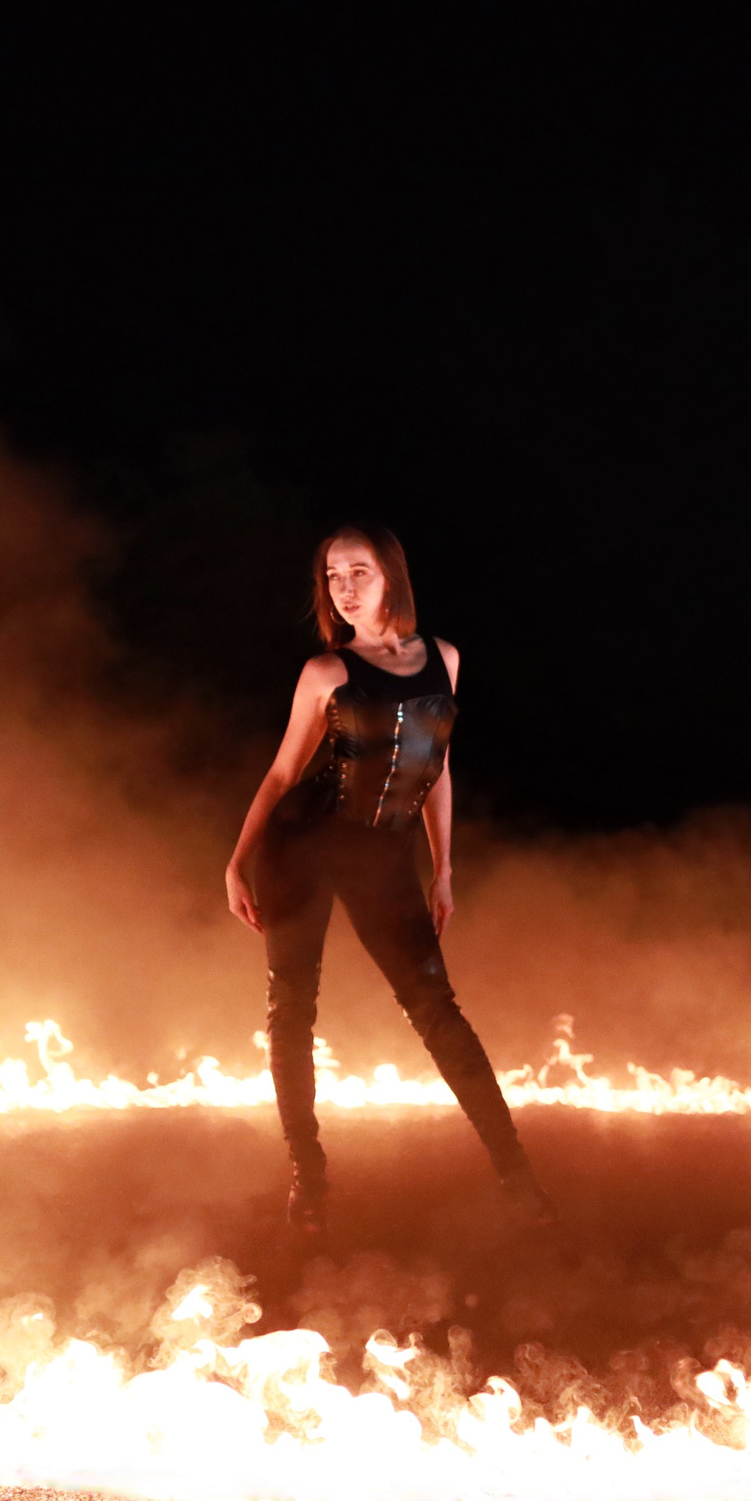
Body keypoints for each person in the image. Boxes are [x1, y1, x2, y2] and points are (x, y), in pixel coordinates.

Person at [224, 525, 554, 1233]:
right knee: (292, 1009)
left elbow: (438, 767)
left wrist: (443, 869)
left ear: (390, 577)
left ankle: (518, 1176)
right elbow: (283, 773)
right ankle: (308, 1176)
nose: (344, 588)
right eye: (332, 575)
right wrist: (236, 861)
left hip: (383, 854)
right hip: (302, 846)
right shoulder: (325, 672)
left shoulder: (445, 659)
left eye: (359, 572)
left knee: (437, 1009)